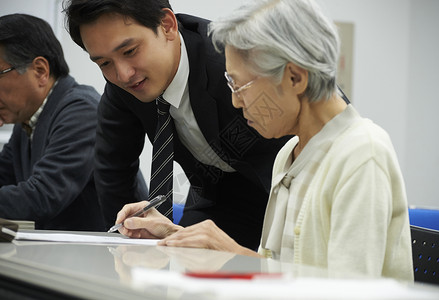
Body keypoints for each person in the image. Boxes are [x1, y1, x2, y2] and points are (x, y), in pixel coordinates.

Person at [115, 0, 414, 281]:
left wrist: (231, 254)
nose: (234, 101)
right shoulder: (288, 154)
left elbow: (348, 292)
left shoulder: (362, 153)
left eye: (240, 85)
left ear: (295, 78)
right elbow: (273, 266)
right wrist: (174, 234)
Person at [64, 0, 289, 249]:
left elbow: (315, 125)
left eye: (130, 51)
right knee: (178, 259)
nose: (123, 74)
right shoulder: (122, 90)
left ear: (167, 25)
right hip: (218, 195)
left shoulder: (232, 58)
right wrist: (130, 241)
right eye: (104, 63)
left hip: (287, 189)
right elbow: (113, 171)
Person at [0, 14, 104, 231]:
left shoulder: (81, 109)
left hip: (105, 257)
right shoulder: (27, 120)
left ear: (40, 71)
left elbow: (42, 196)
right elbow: (3, 177)